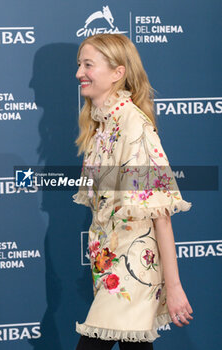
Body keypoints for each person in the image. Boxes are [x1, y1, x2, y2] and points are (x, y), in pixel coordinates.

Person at [73, 33, 193, 350]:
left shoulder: (133, 126)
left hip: (133, 267)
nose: (79, 73)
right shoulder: (101, 125)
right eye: (79, 65)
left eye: (88, 65)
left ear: (118, 72)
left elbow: (160, 213)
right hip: (108, 263)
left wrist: (175, 286)